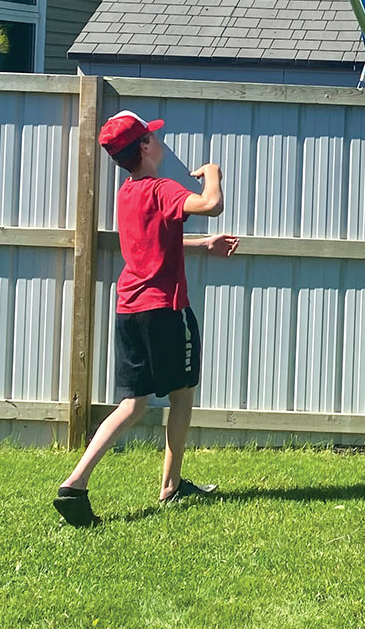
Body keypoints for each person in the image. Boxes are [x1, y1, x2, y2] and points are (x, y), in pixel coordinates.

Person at [53, 110, 238, 527]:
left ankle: (76, 483)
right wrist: (213, 173)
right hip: (167, 309)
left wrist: (202, 245)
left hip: (130, 308)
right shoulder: (161, 189)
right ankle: (170, 487)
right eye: (151, 137)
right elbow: (211, 204)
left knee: (133, 403)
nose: (157, 141)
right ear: (144, 147)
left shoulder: (127, 193)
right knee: (183, 392)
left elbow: (154, 242)